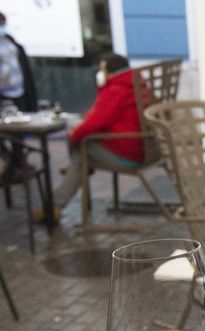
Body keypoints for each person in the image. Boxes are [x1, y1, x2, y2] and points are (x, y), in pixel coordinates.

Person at [50, 53, 143, 213]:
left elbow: (95, 123)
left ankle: (55, 206)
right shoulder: (134, 83)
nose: (100, 74)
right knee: (81, 150)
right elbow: (101, 116)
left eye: (102, 70)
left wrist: (74, 138)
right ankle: (58, 201)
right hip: (137, 147)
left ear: (110, 72)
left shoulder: (116, 89)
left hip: (126, 153)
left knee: (80, 149)